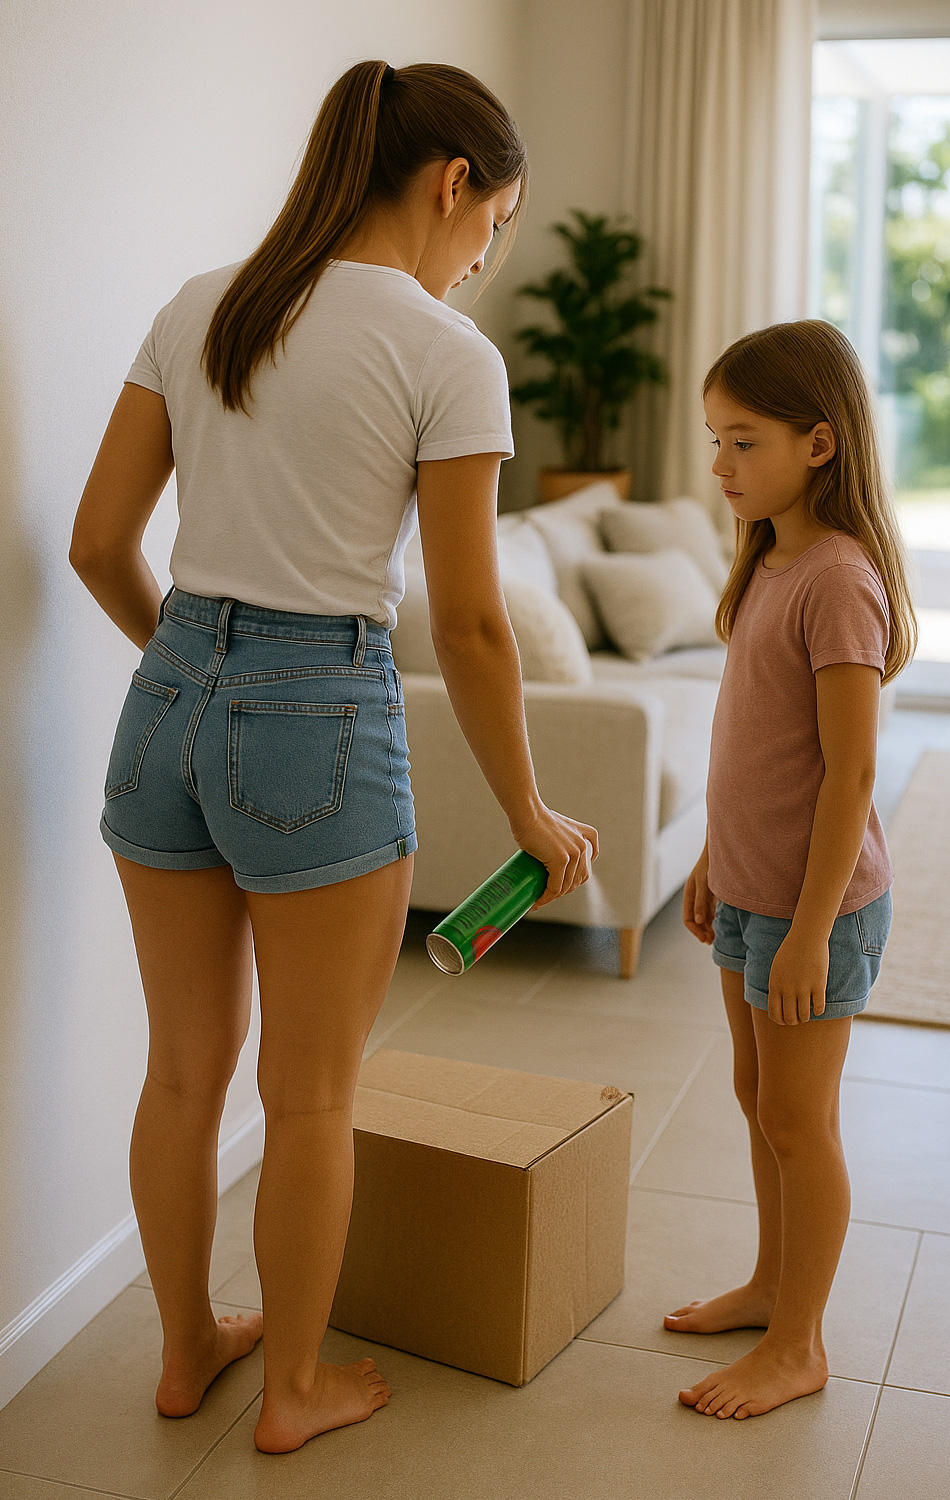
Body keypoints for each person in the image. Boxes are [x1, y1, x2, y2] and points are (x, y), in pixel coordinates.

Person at [69, 59, 597, 1455]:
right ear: (451, 183)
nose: (479, 260)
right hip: (318, 712)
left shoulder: (206, 305)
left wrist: (195, 670)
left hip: (166, 699)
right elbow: (471, 624)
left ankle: (186, 1350)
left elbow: (98, 541)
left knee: (181, 1073)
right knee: (309, 1094)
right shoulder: (444, 354)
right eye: (494, 227)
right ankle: (292, 1390)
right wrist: (529, 810)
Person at [667, 320, 917, 1420]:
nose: (720, 465)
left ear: (819, 443)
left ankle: (799, 1343)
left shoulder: (838, 578)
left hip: (815, 908)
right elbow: (756, 747)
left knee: (798, 1122)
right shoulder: (767, 558)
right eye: (715, 440)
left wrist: (812, 930)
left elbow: (850, 772)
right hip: (752, 889)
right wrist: (713, 857)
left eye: (743, 442)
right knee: (757, 1098)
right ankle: (772, 1287)